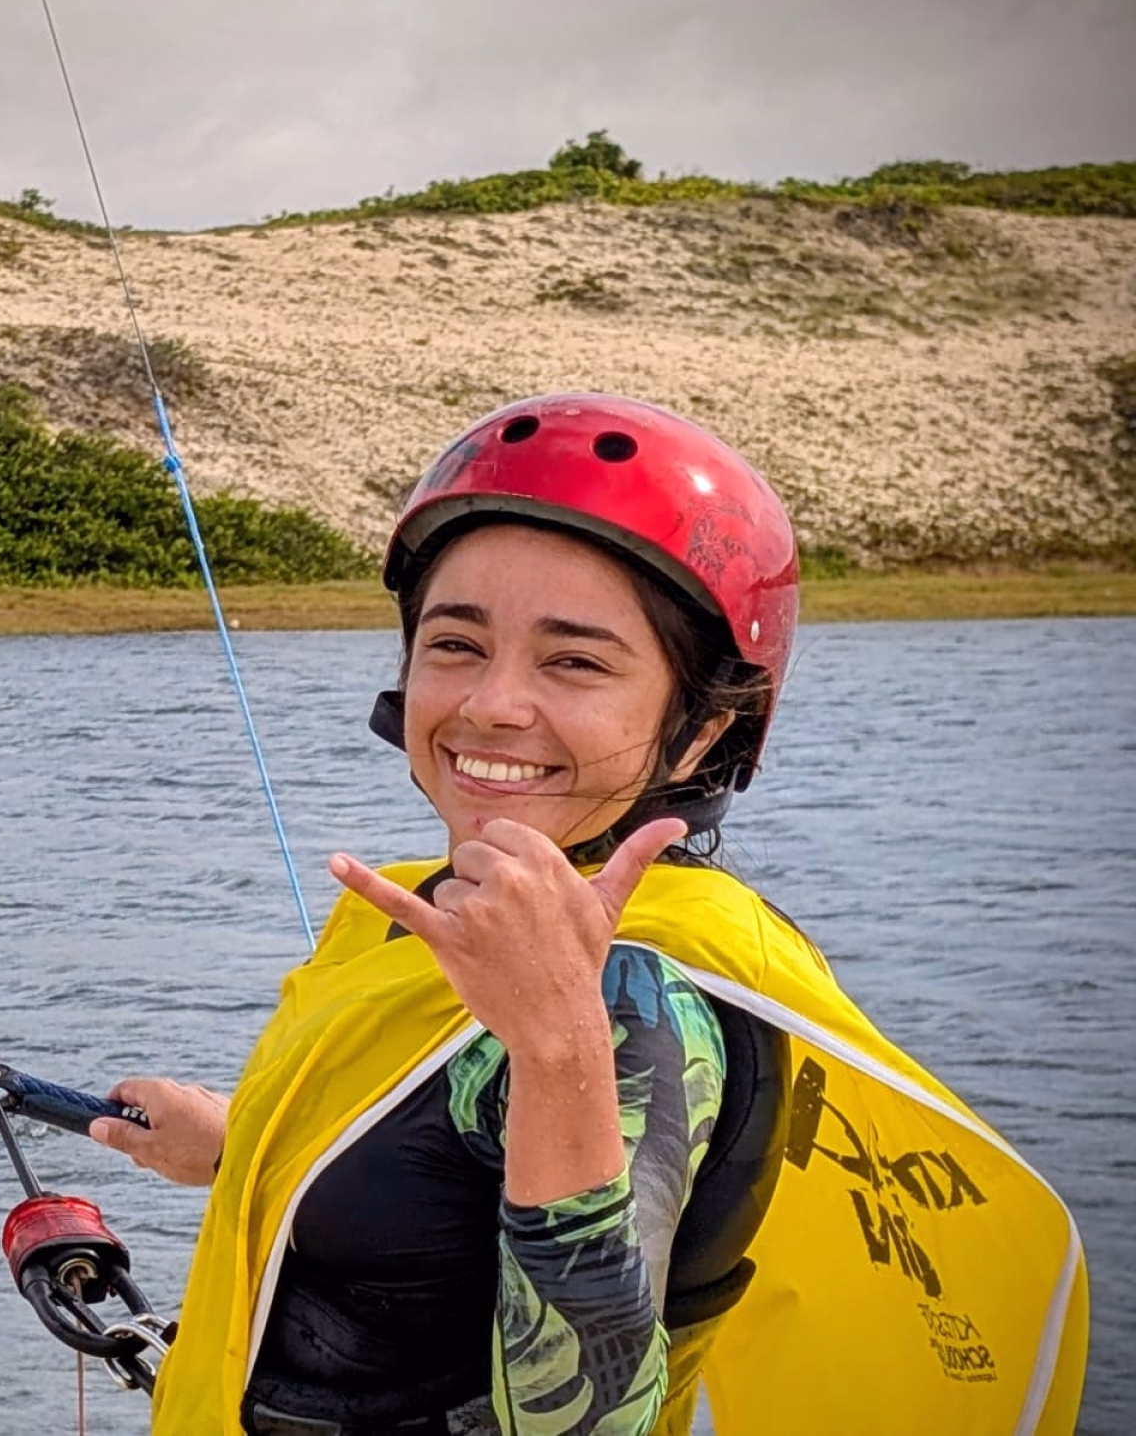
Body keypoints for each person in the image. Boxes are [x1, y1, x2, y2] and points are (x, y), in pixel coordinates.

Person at [90, 393, 1089, 1436]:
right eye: (455, 643)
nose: (491, 703)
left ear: (702, 729)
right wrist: (250, 1143)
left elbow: (585, 1420)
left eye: (575, 660)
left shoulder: (640, 998)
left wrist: (562, 1038)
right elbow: (439, 1174)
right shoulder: (433, 909)